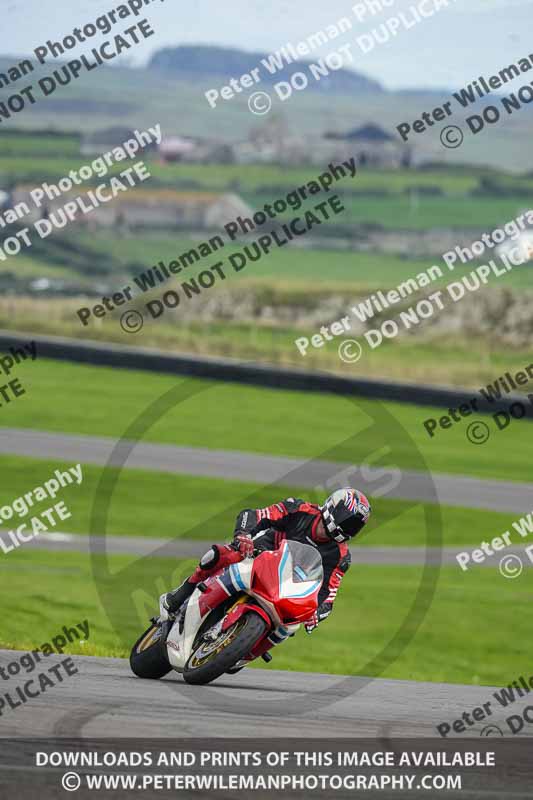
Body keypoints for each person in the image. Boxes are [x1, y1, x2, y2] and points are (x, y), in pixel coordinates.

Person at [159, 488, 371, 657]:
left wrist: (316, 614)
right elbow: (254, 515)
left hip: (287, 585)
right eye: (346, 519)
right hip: (260, 553)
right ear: (333, 507)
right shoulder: (299, 509)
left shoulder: (341, 556)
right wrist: (243, 535)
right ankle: (177, 597)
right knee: (220, 555)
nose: (347, 527)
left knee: (292, 624)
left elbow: (328, 592)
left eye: (354, 525)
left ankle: (245, 653)